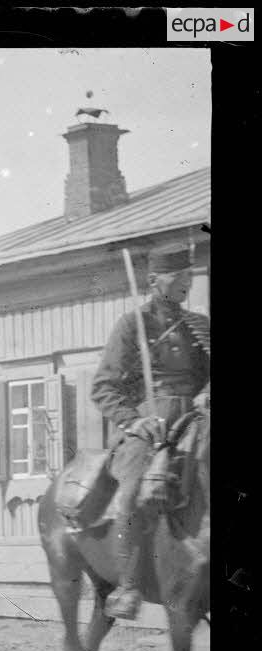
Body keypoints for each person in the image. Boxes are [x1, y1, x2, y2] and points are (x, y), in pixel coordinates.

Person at [90, 241, 209, 619]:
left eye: (189, 276)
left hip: (194, 419)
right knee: (130, 495)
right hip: (147, 426)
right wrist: (132, 419)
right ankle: (127, 586)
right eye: (178, 277)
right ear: (155, 279)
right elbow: (103, 386)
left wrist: (207, 393)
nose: (185, 284)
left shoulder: (201, 327)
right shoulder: (132, 325)